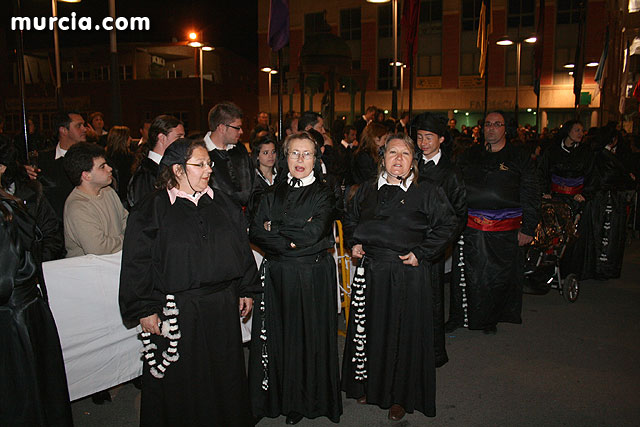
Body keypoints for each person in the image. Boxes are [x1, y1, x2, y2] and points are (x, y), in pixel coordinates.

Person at [119, 138, 258, 426]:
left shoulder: (224, 204)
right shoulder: (151, 208)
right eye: (200, 164)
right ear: (177, 170)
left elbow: (241, 248)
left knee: (224, 375)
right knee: (184, 381)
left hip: (221, 304)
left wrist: (246, 286)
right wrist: (144, 307)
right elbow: (136, 261)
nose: (208, 169)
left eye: (209, 163)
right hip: (178, 308)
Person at [342, 134, 458, 421]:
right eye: (392, 153)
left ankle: (400, 396)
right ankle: (373, 387)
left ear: (413, 160)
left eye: (405, 154)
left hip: (407, 273)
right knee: (372, 332)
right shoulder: (367, 189)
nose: (398, 159)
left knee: (402, 336)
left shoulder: (427, 190)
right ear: (382, 157)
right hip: (372, 272)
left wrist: (423, 251)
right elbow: (349, 218)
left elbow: (448, 224)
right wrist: (353, 242)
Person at [248, 132, 341, 425]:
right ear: (284, 157)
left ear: (316, 159)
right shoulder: (269, 192)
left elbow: (313, 235)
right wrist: (290, 235)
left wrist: (275, 227)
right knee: (277, 338)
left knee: (306, 339)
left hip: (311, 276)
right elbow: (255, 232)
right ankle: (277, 397)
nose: (300, 160)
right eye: (294, 153)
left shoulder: (325, 192)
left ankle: (303, 400)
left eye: (307, 154)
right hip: (276, 276)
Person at [447, 111, 540, 334]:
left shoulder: (519, 157)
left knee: (496, 278)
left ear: (505, 128)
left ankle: (490, 319)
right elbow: (455, 186)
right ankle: (460, 317)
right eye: (488, 124)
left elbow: (531, 192)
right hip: (470, 226)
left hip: (505, 230)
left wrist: (528, 227)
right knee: (468, 275)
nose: (491, 128)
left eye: (497, 124)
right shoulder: (470, 155)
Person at [0, 188, 73, 427]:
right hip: (24, 311)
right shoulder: (9, 208)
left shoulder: (6, 213)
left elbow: (4, 280)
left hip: (14, 318)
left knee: (24, 397)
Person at [412, 113, 467, 367]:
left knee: (432, 300)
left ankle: (433, 353)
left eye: (429, 137)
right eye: (420, 137)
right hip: (407, 239)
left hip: (432, 243)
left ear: (441, 139)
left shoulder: (450, 171)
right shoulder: (410, 164)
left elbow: (459, 213)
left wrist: (442, 243)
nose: (423, 142)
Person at [536, 119, 593, 277]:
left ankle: (570, 270)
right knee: (551, 233)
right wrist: (544, 191)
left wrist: (585, 193)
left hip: (575, 200)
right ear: (568, 131)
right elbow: (542, 172)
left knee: (572, 236)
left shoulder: (585, 152)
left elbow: (591, 176)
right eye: (577, 130)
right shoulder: (552, 151)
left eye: (582, 131)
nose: (581, 134)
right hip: (555, 198)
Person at [581, 125, 636, 280]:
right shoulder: (604, 156)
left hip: (601, 199)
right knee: (606, 234)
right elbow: (606, 177)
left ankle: (597, 266)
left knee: (599, 234)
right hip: (606, 200)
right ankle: (601, 268)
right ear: (613, 140)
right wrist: (626, 178)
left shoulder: (599, 154)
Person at [0, 139, 64, 264]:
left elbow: (52, 234)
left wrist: (34, 266)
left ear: (2, 167)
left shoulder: (30, 193)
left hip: (27, 275)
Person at [63, 142, 128, 258]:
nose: (110, 169)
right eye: (102, 167)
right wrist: (128, 240)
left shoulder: (108, 191)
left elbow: (126, 221)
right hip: (90, 272)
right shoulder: (77, 207)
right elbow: (98, 248)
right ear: (86, 175)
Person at [33, 111, 87, 221]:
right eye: (78, 126)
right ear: (63, 130)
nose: (84, 129)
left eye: (83, 125)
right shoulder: (42, 160)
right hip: (54, 227)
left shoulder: (91, 158)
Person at [205, 102, 255, 210]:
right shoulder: (200, 153)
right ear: (222, 128)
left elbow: (253, 184)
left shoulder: (240, 149)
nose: (241, 132)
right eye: (237, 127)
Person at [127, 115, 184, 209]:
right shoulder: (145, 175)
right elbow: (145, 214)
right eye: (179, 137)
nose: (183, 142)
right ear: (162, 138)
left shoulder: (171, 167)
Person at [105, 125, 135, 205]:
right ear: (122, 139)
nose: (131, 139)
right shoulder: (129, 158)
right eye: (128, 137)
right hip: (124, 198)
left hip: (109, 198)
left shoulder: (104, 157)